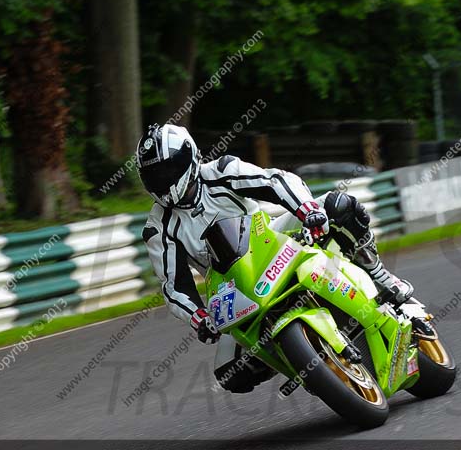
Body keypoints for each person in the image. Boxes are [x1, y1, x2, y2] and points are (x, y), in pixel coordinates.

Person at [138, 123, 415, 393]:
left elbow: (276, 181)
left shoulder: (221, 171)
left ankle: (379, 274)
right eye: (155, 176)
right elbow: (174, 286)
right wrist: (198, 318)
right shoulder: (157, 227)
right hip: (233, 287)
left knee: (338, 206)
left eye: (169, 169)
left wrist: (306, 210)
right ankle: (301, 359)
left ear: (190, 157)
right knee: (232, 374)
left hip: (272, 239)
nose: (164, 180)